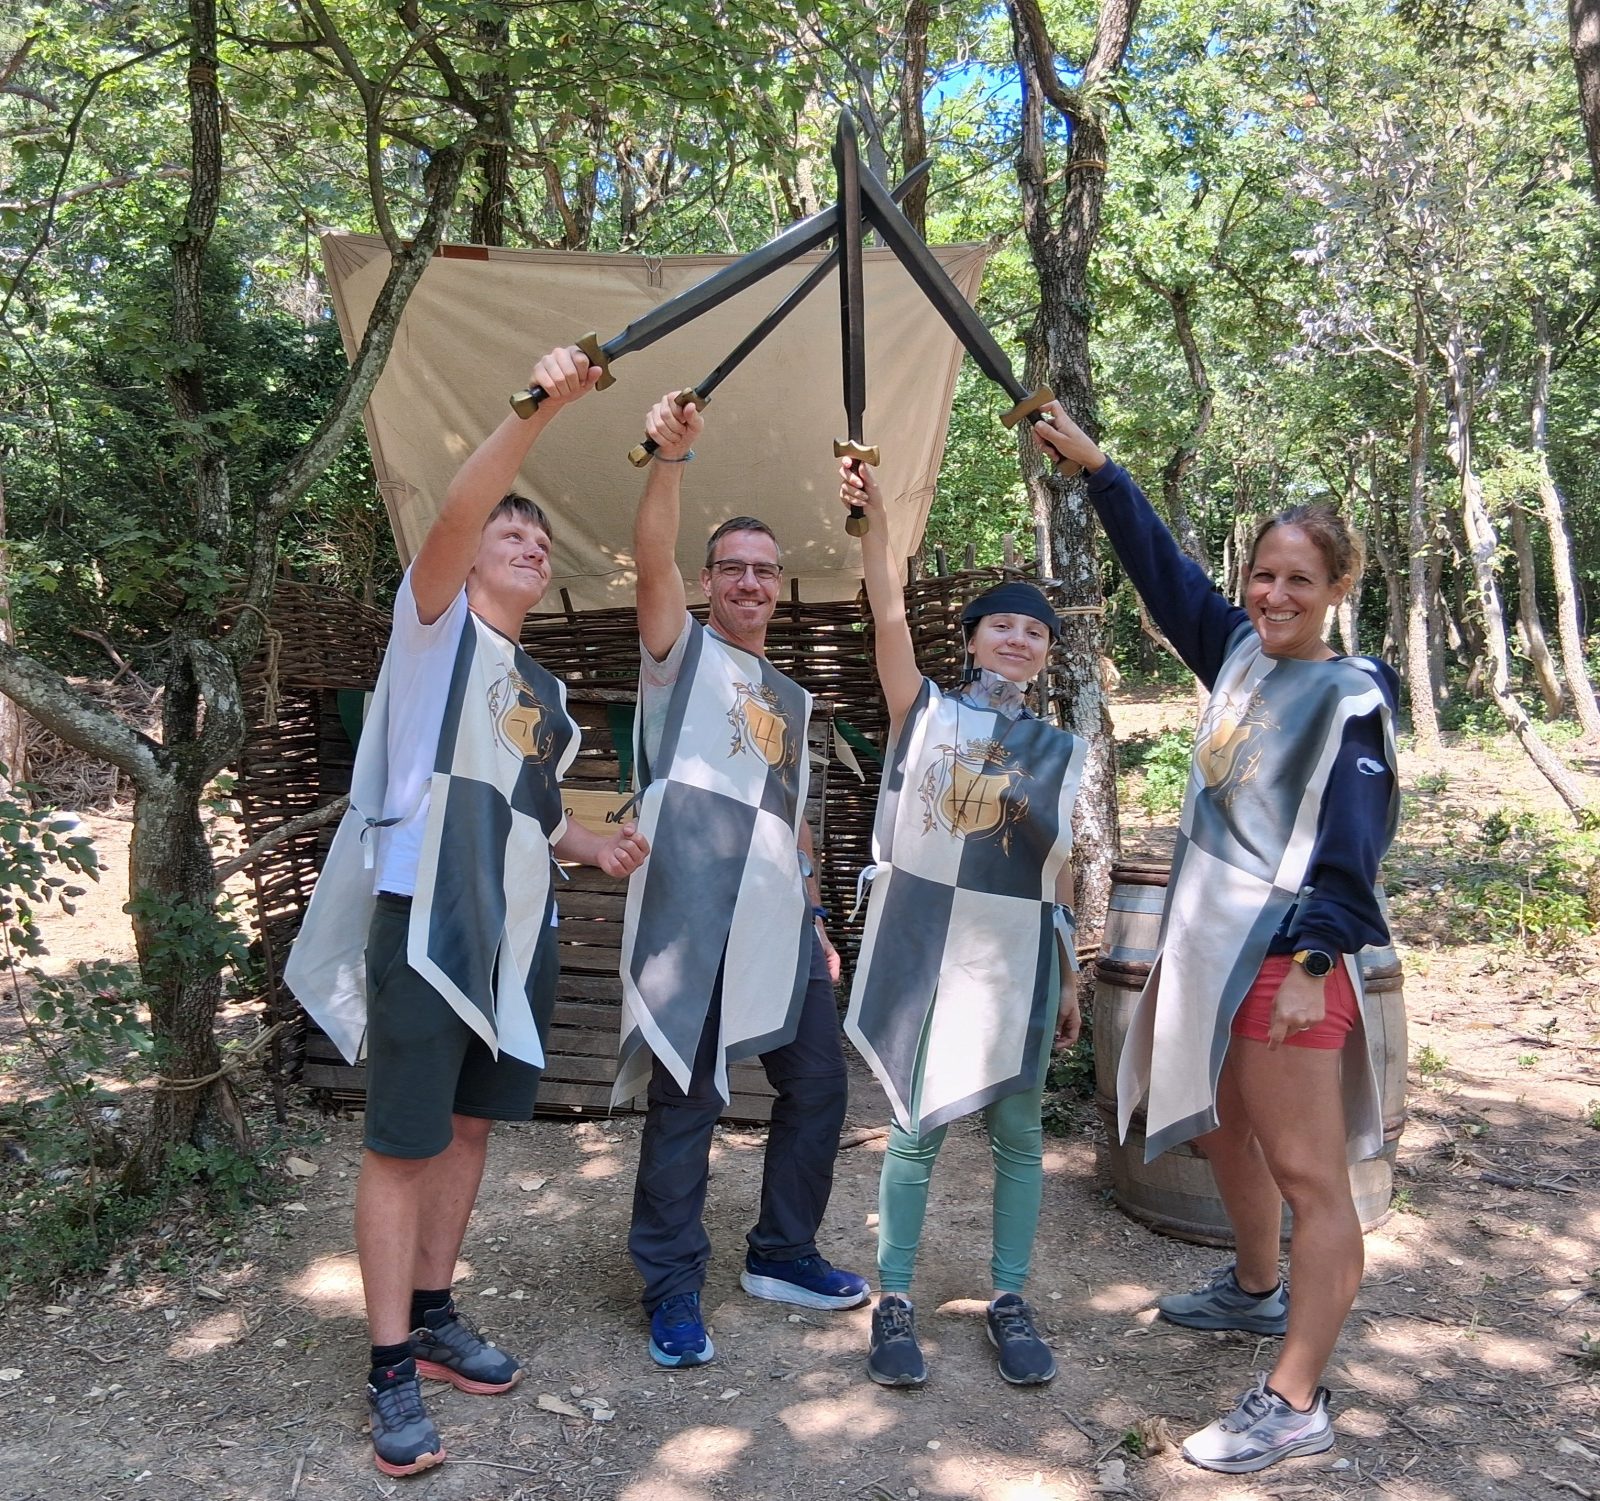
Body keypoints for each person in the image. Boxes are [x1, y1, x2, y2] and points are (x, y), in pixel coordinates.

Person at [285, 347, 649, 1477]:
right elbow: (453, 512)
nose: (529, 544)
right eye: (512, 532)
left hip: (512, 936)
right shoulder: (432, 629)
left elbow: (531, 814)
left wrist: (596, 845)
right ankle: (389, 1364)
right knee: (403, 1143)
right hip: (424, 920)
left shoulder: (541, 694)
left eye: (540, 539)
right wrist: (538, 408)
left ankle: (436, 1313)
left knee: (472, 1127)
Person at [1032, 407, 1399, 1474]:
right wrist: (1099, 470)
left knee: (1310, 1174)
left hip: (1289, 956)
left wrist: (1318, 960)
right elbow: (1164, 575)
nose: (1274, 596)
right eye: (1262, 576)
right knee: (1224, 1127)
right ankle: (1253, 1286)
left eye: (1298, 580)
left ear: (1337, 587)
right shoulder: (1239, 654)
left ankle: (1293, 1399)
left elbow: (1356, 840)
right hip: (1210, 949)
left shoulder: (1349, 696)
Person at [615, 391, 869, 1369]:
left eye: (764, 570)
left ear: (777, 585)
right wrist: (670, 460)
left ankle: (782, 1252)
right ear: (710, 581)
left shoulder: (791, 699)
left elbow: (792, 823)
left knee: (818, 1082)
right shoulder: (678, 656)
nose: (750, 581)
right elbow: (650, 557)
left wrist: (818, 922)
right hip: (695, 917)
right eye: (733, 567)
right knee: (688, 1102)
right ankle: (671, 1286)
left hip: (779, 922)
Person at [835, 458, 1089, 1389]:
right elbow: (888, 616)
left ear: (1046, 652)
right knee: (914, 1127)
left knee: (1020, 1131)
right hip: (929, 948)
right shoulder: (926, 711)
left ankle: (1010, 1297)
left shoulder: (1057, 749)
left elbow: (1057, 871)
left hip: (1019, 956)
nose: (1019, 638)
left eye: (1036, 630)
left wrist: (1069, 972)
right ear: (974, 637)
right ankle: (894, 1298)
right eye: (1003, 625)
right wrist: (875, 523)